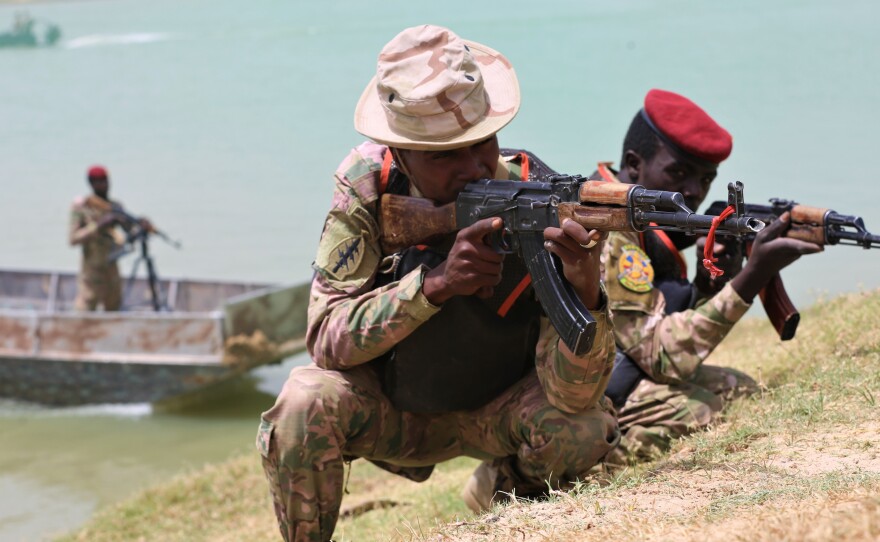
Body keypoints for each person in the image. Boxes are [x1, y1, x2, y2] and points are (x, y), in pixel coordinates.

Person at [257, 24, 620, 541]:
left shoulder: (538, 198)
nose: (473, 168)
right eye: (443, 155)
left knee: (582, 431)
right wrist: (434, 286)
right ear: (399, 153)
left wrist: (584, 287)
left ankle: (505, 493)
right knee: (300, 402)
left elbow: (574, 395)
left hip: (500, 413)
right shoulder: (368, 186)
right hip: (393, 411)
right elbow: (325, 338)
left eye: (482, 143)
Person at [595, 89, 822, 462]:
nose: (693, 192)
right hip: (578, 395)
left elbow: (658, 312)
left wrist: (708, 283)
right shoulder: (608, 229)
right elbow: (662, 357)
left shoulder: (640, 214)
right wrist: (751, 278)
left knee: (742, 391)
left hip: (618, 369)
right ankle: (540, 476)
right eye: (679, 173)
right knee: (701, 411)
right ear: (634, 164)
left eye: (705, 179)